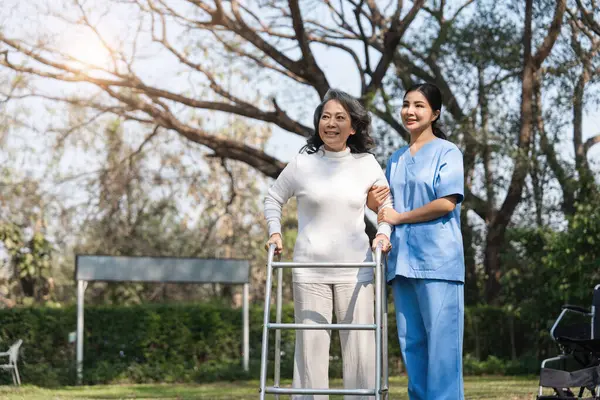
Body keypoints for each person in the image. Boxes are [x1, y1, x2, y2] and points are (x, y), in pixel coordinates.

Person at [264, 88, 392, 399]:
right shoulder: (302, 162)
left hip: (356, 271)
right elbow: (273, 198)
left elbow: (386, 208)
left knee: (361, 353)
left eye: (339, 118)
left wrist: (384, 232)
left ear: (353, 127)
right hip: (309, 271)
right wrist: (275, 231)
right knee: (310, 354)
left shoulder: (367, 164)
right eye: (325, 117)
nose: (330, 124)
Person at [368, 83, 465, 400]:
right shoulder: (395, 159)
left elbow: (446, 202)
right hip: (403, 265)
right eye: (407, 104)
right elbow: (387, 207)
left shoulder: (448, 152)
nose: (410, 111)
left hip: (439, 264)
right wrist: (375, 205)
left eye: (419, 105)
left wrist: (399, 217)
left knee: (442, 349)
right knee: (412, 346)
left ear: (435, 113)